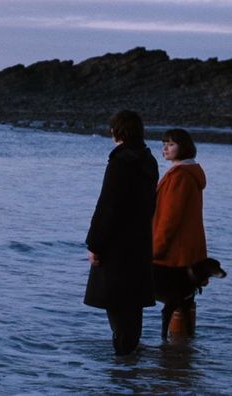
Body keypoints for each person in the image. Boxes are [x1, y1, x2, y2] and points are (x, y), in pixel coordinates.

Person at [84, 110, 159, 356]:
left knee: (116, 306)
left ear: (117, 131)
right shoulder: (149, 160)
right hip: (140, 241)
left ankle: (123, 370)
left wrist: (94, 244)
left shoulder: (120, 162)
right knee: (132, 307)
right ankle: (128, 371)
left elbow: (107, 207)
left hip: (117, 246)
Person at [152, 128, 207, 336]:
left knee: (171, 300)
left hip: (173, 254)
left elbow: (169, 218)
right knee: (183, 301)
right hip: (187, 252)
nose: (165, 148)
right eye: (164, 143)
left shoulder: (180, 176)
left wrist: (156, 249)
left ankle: (172, 353)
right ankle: (179, 356)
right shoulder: (187, 173)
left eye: (171, 144)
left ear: (183, 147)